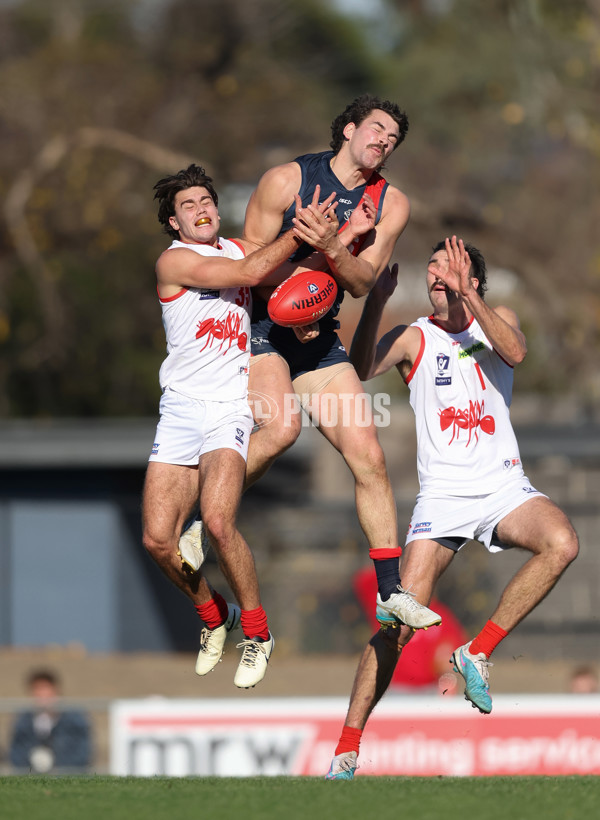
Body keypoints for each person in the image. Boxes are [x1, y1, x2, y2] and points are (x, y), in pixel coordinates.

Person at [326, 235, 579, 779]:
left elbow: (515, 352)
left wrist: (473, 296)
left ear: (473, 280)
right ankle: (347, 748)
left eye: (450, 267)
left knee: (562, 543)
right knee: (398, 624)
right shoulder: (415, 337)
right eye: (433, 268)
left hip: (504, 488)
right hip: (442, 498)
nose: (436, 274)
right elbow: (362, 365)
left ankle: (476, 652)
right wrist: (373, 301)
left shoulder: (496, 319)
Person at [238, 94, 441, 631]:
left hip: (319, 340)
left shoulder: (390, 202)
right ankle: (207, 512)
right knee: (279, 431)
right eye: (376, 129)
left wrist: (334, 244)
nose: (383, 141)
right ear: (348, 129)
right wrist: (309, 250)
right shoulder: (286, 181)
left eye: (393, 138)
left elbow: (358, 282)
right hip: (261, 328)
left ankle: (391, 591)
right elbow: (248, 271)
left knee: (368, 455)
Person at [143, 164, 349, 689]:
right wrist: (296, 233)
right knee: (157, 542)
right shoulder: (175, 260)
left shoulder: (239, 250)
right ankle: (216, 617)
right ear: (174, 222)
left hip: (229, 406)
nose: (201, 210)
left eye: (206, 200)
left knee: (216, 521)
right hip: (182, 408)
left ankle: (257, 634)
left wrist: (311, 308)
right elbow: (247, 275)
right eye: (188, 206)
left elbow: (288, 283)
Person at [9, 670, 91, 773]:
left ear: (56, 690)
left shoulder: (75, 718)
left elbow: (82, 754)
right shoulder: (23, 720)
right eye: (37, 689)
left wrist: (56, 768)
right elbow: (16, 753)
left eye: (45, 688)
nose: (41, 694)